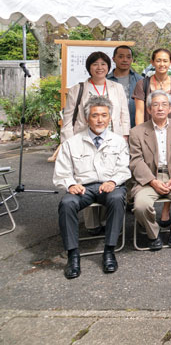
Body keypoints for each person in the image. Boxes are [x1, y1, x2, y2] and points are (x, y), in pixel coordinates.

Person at [53, 96, 129, 279]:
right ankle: (73, 255)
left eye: (104, 115)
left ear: (110, 118)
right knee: (66, 203)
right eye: (95, 115)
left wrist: (113, 182)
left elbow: (124, 169)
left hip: (110, 185)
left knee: (117, 198)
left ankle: (109, 251)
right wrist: (71, 184)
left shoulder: (118, 141)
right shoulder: (72, 143)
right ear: (87, 118)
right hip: (83, 188)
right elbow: (62, 171)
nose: (100, 119)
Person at [128, 90, 171, 250]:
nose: (160, 108)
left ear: (170, 108)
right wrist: (152, 181)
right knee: (141, 206)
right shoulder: (137, 132)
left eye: (164, 104)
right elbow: (136, 160)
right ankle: (153, 234)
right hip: (149, 179)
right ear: (149, 109)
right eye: (155, 105)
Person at [62, 51, 131, 143]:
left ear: (108, 67)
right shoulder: (76, 90)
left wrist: (124, 136)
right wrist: (68, 142)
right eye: (95, 64)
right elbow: (68, 120)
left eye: (103, 64)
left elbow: (124, 114)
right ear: (89, 67)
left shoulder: (117, 88)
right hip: (83, 138)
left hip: (112, 137)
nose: (99, 68)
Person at [132, 48, 171, 126]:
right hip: (149, 131)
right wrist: (140, 134)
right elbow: (139, 112)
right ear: (152, 62)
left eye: (165, 61)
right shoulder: (142, 84)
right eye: (158, 61)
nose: (162, 64)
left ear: (170, 62)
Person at [107, 45, 143, 128]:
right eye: (120, 57)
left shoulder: (140, 80)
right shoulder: (106, 80)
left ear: (132, 60)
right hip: (111, 127)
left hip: (135, 126)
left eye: (128, 57)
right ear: (113, 59)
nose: (125, 60)